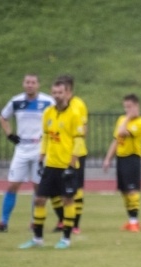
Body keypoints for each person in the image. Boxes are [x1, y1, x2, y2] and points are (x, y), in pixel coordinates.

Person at [19, 78, 85, 249]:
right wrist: (42, 156)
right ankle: (37, 239)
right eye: (54, 92)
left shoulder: (74, 114)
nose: (57, 96)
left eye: (60, 92)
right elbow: (47, 136)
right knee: (40, 199)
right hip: (51, 166)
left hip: (67, 165)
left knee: (67, 201)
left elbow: (79, 140)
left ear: (67, 93)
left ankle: (66, 239)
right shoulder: (48, 112)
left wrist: (72, 163)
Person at [0, 74, 55, 232]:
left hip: (39, 148)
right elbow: (3, 117)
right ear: (23, 84)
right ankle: (3, 222)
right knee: (13, 184)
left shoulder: (48, 102)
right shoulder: (16, 101)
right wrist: (9, 134)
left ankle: (35, 221)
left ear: (38, 84)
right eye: (27, 82)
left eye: (33, 82)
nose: (30, 85)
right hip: (22, 149)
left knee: (38, 187)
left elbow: (57, 118)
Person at [102, 94, 141, 232]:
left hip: (132, 158)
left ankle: (135, 221)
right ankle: (130, 220)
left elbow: (123, 131)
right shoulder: (121, 119)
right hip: (121, 158)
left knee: (132, 190)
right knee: (124, 191)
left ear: (137, 106)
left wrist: (128, 117)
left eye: (130, 107)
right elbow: (117, 139)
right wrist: (108, 158)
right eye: (125, 107)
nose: (127, 110)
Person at [50, 74, 89, 234]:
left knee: (75, 189)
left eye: (64, 90)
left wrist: (75, 147)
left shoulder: (78, 105)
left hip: (76, 153)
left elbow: (83, 129)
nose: (61, 93)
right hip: (57, 155)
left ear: (69, 90)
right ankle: (62, 220)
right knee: (54, 190)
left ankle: (75, 224)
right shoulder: (54, 108)